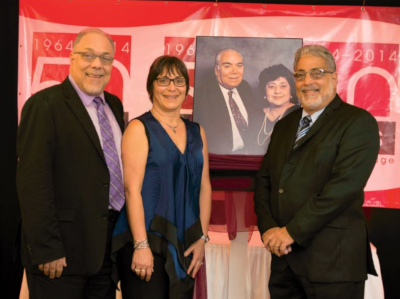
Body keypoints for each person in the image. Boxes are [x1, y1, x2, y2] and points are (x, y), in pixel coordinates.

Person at [253, 45, 380, 299]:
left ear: (334, 77)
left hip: (333, 264)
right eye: (300, 75)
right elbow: (265, 180)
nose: (307, 82)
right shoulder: (286, 124)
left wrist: (290, 233)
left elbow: (342, 190)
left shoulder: (358, 122)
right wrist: (268, 229)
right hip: (284, 261)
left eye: (316, 73)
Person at [16, 28, 124, 299]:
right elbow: (33, 183)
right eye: (88, 55)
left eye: (105, 58)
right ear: (71, 58)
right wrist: (47, 248)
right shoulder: (44, 105)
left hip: (105, 253)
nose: (97, 64)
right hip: (60, 255)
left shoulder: (113, 105)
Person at [112, 55, 212, 299]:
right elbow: (132, 191)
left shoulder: (197, 131)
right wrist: (141, 245)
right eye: (163, 80)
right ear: (151, 86)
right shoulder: (138, 128)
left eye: (178, 81)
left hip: (186, 242)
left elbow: (205, 187)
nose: (172, 87)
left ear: (186, 89)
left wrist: (202, 238)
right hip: (146, 240)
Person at [193, 49, 257, 155]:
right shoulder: (201, 95)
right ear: (217, 70)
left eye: (239, 65)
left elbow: (253, 122)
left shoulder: (244, 87)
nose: (234, 71)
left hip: (248, 155)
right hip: (219, 161)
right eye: (227, 66)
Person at [254, 64, 300, 153]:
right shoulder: (254, 117)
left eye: (283, 86)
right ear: (264, 91)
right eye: (271, 86)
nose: (277, 91)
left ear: (291, 90)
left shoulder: (301, 115)